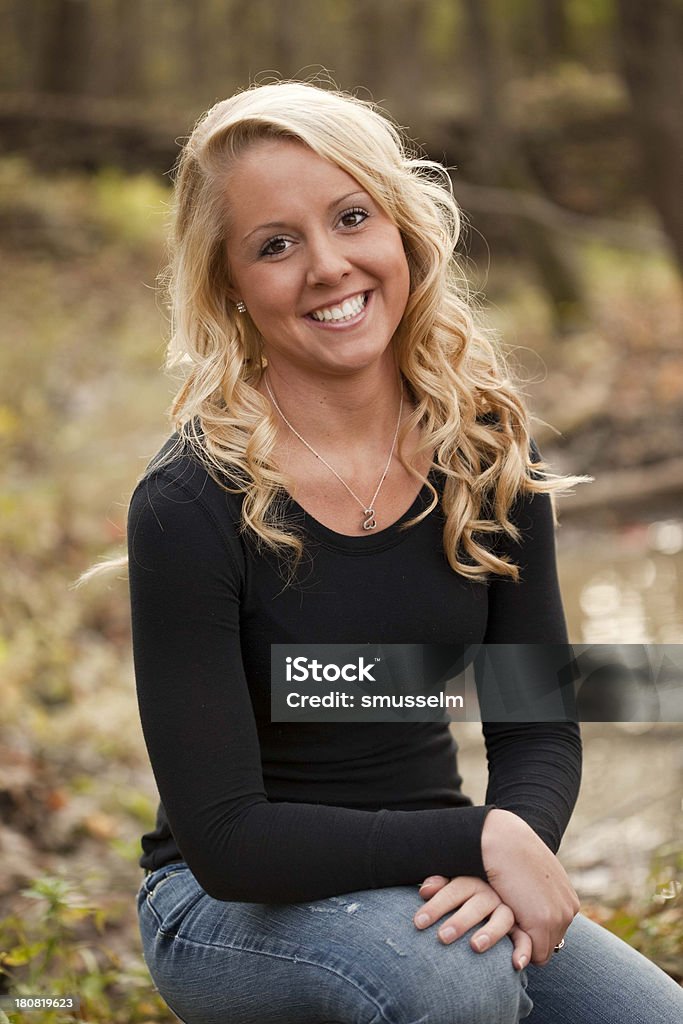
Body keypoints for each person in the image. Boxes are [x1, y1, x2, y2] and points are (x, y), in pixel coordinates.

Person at [127, 81, 683, 1024]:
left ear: (403, 229)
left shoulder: (484, 452)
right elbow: (225, 839)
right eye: (275, 244)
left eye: (351, 217)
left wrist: (505, 845)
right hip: (227, 906)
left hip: (432, 870)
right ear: (229, 286)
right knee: (449, 981)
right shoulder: (189, 503)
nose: (328, 266)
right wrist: (477, 839)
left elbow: (534, 720)